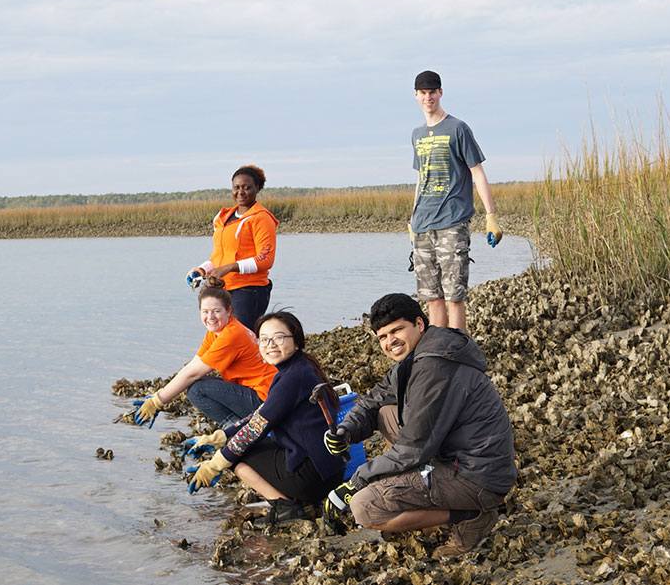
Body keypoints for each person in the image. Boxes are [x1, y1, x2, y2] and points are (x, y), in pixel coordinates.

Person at [321, 293, 516, 558]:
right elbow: (375, 399)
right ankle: (419, 492)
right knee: (386, 412)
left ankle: (470, 515)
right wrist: (347, 430)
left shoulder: (433, 366)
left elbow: (413, 449)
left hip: (477, 476)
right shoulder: (421, 354)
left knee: (364, 506)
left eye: (397, 330)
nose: (391, 342)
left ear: (420, 324)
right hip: (454, 457)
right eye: (383, 337)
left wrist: (356, 482)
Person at [185, 312, 345, 525]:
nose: (271, 345)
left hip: (314, 477)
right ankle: (295, 498)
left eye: (279, 338)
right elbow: (261, 413)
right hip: (329, 470)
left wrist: (214, 465)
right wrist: (218, 437)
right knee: (235, 445)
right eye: (264, 339)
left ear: (296, 341)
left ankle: (285, 507)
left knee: (237, 456)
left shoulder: (292, 378)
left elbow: (255, 429)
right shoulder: (300, 367)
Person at [407, 70, 501, 333]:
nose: (428, 97)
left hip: (452, 222)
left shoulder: (458, 129)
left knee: (454, 295)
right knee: (432, 295)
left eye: (432, 92)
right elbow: (420, 178)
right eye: (423, 93)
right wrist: (412, 220)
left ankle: (457, 346)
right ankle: (439, 349)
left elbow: (477, 173)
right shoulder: (416, 135)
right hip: (423, 223)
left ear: (441, 93)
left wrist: (490, 216)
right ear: (416, 96)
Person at [126, 286, 275, 428]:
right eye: (205, 311)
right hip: (258, 392)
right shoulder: (216, 331)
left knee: (197, 390)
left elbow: (193, 374)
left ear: (228, 311)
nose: (210, 317)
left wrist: (157, 402)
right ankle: (238, 427)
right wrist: (157, 396)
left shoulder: (231, 335)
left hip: (264, 400)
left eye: (216, 311)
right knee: (196, 383)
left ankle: (236, 429)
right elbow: (192, 366)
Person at [191, 165, 278, 331]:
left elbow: (266, 260)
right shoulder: (223, 217)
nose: (241, 192)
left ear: (258, 188)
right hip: (223, 289)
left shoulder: (261, 218)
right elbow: (218, 257)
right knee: (221, 336)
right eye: (236, 187)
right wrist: (201, 270)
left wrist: (230, 267)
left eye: (247, 187)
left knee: (242, 339)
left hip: (249, 291)